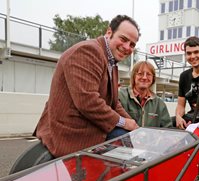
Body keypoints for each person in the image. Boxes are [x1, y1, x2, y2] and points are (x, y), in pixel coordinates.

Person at [34, 15, 140, 158]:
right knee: (124, 145)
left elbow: (114, 104)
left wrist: (135, 127)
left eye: (132, 44)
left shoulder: (111, 61)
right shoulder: (89, 51)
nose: (127, 47)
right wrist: (123, 123)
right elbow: (88, 101)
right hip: (71, 130)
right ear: (109, 32)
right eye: (123, 39)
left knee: (130, 138)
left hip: (88, 124)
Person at [119, 61, 172, 128]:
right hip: (127, 138)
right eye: (140, 74)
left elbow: (167, 128)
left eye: (148, 74)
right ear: (134, 76)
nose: (144, 77)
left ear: (153, 79)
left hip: (151, 138)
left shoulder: (159, 103)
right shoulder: (121, 96)